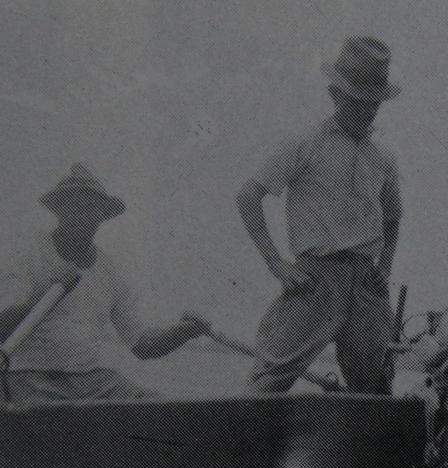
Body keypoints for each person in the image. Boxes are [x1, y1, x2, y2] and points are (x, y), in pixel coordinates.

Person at [236, 35, 403, 393]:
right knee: (268, 380)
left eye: (374, 102)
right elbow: (248, 196)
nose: (367, 110)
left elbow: (392, 218)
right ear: (335, 94)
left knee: (375, 390)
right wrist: (276, 263)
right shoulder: (305, 141)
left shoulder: (383, 157)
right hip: (316, 278)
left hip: (366, 283)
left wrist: (384, 269)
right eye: (358, 100)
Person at [0, 163, 212, 404]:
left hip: (91, 380)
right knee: (50, 426)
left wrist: (184, 331)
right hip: (30, 378)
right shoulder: (28, 255)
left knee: (161, 409)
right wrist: (41, 293)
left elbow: (142, 345)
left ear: (102, 216)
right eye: (73, 206)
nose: (81, 215)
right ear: (59, 211)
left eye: (90, 207)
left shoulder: (110, 271)